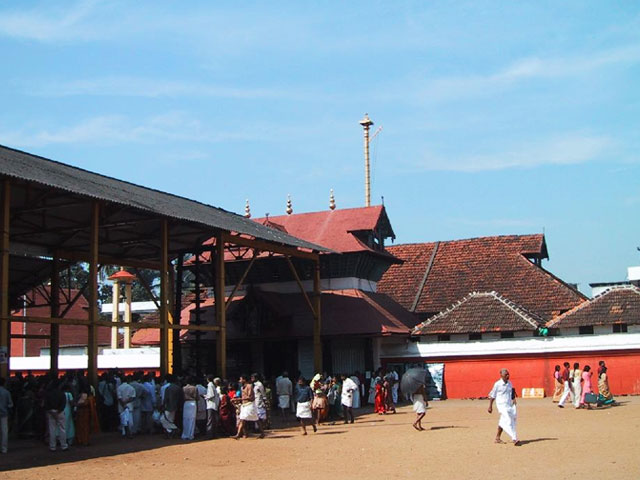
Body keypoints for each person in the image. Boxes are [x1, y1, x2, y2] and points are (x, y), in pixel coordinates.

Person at [487, 368, 519, 446]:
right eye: (506, 375)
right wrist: (490, 406)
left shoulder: (509, 383)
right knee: (508, 419)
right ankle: (514, 438)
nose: (508, 376)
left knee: (506, 420)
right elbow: (492, 395)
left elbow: (512, 391)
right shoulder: (497, 384)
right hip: (501, 405)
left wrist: (513, 399)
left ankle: (497, 438)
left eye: (508, 374)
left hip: (508, 405)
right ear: (501, 375)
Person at [235, 375, 264, 439]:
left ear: (244, 380)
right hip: (244, 405)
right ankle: (239, 434)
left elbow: (250, 397)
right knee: (242, 419)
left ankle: (262, 433)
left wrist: (239, 399)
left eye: (241, 379)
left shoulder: (249, 386)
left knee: (256, 419)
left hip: (250, 405)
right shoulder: (242, 387)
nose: (239, 381)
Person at [44, 379, 69, 452]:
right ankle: (64, 446)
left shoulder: (48, 393)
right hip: (59, 412)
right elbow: (63, 403)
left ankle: (52, 447)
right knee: (62, 429)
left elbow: (46, 404)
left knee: (52, 430)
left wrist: (50, 410)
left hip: (51, 412)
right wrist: (59, 410)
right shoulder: (61, 393)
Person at [204, 374, 220, 439]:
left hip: (211, 405)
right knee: (213, 420)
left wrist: (205, 397)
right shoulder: (212, 385)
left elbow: (211, 395)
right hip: (214, 404)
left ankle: (209, 435)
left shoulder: (210, 385)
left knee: (210, 420)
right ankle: (213, 434)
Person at [0, 377, 13, 453]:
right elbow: (10, 404)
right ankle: (4, 448)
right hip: (4, 414)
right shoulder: (6, 392)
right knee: (4, 431)